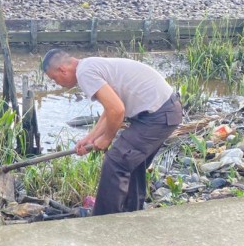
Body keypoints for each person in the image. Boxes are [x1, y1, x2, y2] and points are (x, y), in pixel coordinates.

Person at [41, 49, 182, 216]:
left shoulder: (85, 72)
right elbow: (110, 110)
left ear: (62, 70)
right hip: (165, 111)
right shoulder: (89, 65)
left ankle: (104, 221)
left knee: (115, 161)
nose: (57, 83)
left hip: (157, 115)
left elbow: (117, 110)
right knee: (132, 163)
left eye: (54, 79)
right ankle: (132, 214)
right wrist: (90, 138)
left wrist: (107, 139)